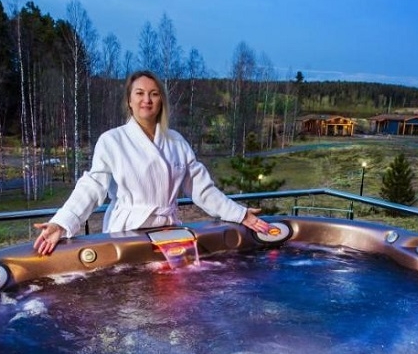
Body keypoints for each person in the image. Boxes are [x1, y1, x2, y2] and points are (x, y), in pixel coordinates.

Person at [33, 70, 270, 255]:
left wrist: (240, 214)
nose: (147, 100)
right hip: (126, 235)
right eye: (140, 93)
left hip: (168, 233)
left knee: (170, 299)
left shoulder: (176, 142)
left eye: (154, 94)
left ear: (161, 101)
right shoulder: (112, 140)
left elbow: (203, 191)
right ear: (129, 100)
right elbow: (92, 187)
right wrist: (61, 224)